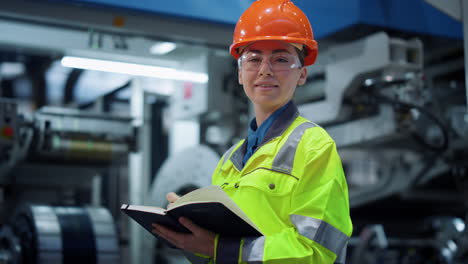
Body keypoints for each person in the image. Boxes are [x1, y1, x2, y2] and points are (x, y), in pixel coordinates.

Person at [152, 0, 353, 263]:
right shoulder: (229, 160)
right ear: (239, 74)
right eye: (254, 59)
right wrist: (189, 230)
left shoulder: (314, 147)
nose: (265, 70)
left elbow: (317, 251)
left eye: (280, 59)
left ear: (302, 74)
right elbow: (217, 251)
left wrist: (221, 248)